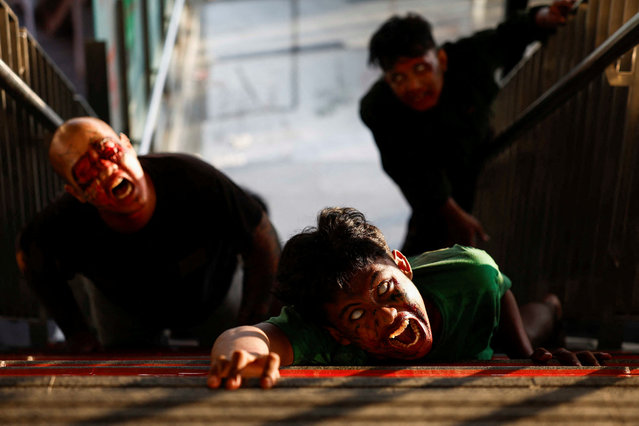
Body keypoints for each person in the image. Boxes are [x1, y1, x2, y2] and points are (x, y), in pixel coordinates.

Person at [208, 207, 610, 390]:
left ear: (402, 266)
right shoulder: (324, 334)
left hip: (479, 328)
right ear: (339, 333)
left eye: (385, 290)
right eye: (356, 316)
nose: (384, 317)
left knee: (529, 323)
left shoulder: (468, 271)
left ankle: (554, 305)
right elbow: (248, 335)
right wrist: (241, 357)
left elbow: (497, 286)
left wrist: (526, 356)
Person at [16, 117, 281, 351]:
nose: (107, 170)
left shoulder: (193, 177)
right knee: (121, 370)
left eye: (108, 151)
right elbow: (28, 256)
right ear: (77, 192)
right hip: (124, 310)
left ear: (128, 145)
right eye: (86, 172)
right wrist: (77, 334)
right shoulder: (64, 222)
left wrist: (251, 329)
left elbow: (262, 238)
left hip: (213, 295)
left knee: (233, 352)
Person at [359, 1, 577, 256]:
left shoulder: (470, 58)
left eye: (421, 68)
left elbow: (509, 35)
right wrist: (454, 215)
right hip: (434, 191)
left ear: (441, 59)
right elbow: (412, 174)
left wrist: (544, 16)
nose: (414, 86)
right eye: (398, 77)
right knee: (429, 256)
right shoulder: (379, 108)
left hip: (484, 159)